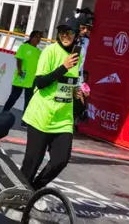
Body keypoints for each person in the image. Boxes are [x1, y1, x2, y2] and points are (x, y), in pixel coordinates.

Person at [19, 18, 82, 191]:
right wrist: (63, 67)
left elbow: (67, 82)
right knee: (32, 163)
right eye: (61, 32)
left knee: (60, 160)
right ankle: (18, 192)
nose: (64, 35)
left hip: (63, 119)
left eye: (69, 32)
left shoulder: (78, 55)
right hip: (41, 115)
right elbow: (40, 83)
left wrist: (76, 92)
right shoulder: (50, 51)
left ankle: (33, 190)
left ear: (76, 34)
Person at [3, 30, 42, 114]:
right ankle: (4, 112)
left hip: (31, 79)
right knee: (14, 97)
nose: (38, 39)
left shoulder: (39, 51)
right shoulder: (23, 47)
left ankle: (24, 119)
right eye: (36, 37)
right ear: (31, 37)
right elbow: (19, 59)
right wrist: (20, 70)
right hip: (21, 76)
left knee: (28, 100)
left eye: (39, 37)